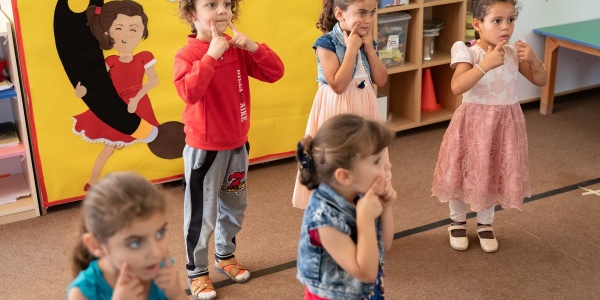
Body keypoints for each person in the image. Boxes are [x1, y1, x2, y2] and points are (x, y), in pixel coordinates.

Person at [173, 1, 284, 299]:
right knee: (202, 214)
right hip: (205, 150)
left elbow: (275, 73)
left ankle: (225, 257)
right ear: (192, 14)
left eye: (227, 4)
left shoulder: (236, 49)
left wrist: (254, 47)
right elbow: (189, 92)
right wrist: (210, 56)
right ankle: (197, 271)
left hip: (237, 144)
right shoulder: (187, 55)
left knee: (235, 207)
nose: (222, 10)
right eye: (211, 4)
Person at [431, 0, 547, 253]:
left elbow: (541, 80)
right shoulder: (466, 51)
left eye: (511, 19)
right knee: (463, 171)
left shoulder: (513, 52)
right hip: (473, 124)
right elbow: (457, 86)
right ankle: (457, 221)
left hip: (503, 125)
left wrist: (536, 58)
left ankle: (485, 224)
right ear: (477, 25)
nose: (506, 27)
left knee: (492, 172)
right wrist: (485, 64)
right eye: (497, 20)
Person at [292, 0, 389, 209]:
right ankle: (335, 213)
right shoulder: (325, 43)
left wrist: (370, 50)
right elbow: (338, 85)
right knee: (340, 163)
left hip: (364, 107)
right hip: (338, 109)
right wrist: (352, 49)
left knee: (365, 160)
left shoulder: (367, 41)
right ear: (340, 14)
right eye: (361, 13)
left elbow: (381, 80)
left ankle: (363, 211)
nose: (368, 20)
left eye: (372, 13)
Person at [296, 114, 396, 299]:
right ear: (345, 176)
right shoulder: (324, 218)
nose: (388, 165)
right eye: (377, 161)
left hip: (363, 292)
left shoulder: (360, 194)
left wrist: (386, 207)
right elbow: (366, 273)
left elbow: (384, 244)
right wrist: (365, 219)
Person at [73, 0, 160, 191]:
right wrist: (83, 92)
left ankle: (159, 174)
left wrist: (137, 99)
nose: (127, 35)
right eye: (119, 28)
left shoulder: (144, 56)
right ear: (107, 33)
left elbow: (154, 80)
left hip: (139, 104)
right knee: (110, 146)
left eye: (134, 29)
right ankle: (93, 182)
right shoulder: (111, 60)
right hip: (115, 106)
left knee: (150, 138)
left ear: (142, 30)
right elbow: (98, 83)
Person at [67, 172, 189, 300]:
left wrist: (177, 295)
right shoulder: (81, 293)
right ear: (96, 245)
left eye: (159, 233)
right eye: (135, 243)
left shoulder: (160, 268)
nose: (156, 252)